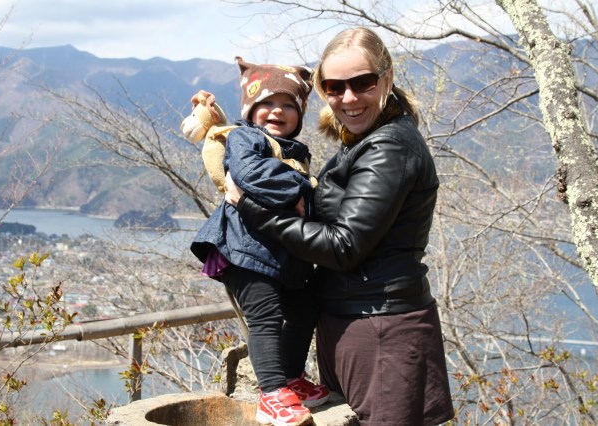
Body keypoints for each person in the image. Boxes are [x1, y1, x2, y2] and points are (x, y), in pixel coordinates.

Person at [225, 28, 455, 425]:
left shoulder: (389, 147)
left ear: (387, 78)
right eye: (334, 87)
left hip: (381, 330)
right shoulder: (363, 140)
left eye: (362, 82)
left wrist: (250, 207)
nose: (348, 98)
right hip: (353, 324)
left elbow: (342, 246)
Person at [190, 56, 329, 426]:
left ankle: (291, 378)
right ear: (250, 110)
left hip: (282, 254)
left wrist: (308, 193)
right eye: (266, 103)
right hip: (244, 249)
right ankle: (272, 395)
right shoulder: (245, 138)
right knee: (265, 316)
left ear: (300, 114)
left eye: (288, 105)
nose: (277, 111)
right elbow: (252, 176)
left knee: (304, 310)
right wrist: (303, 187)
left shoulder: (296, 150)